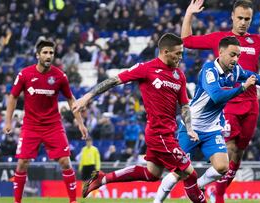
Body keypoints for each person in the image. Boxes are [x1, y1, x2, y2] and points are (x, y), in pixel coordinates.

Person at [180, 1, 260, 201]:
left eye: (247, 19)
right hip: (227, 104)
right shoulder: (220, 39)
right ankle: (205, 188)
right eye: (240, 18)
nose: (243, 22)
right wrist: (189, 14)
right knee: (229, 148)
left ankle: (219, 192)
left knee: (238, 155)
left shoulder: (257, 41)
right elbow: (187, 40)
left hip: (251, 105)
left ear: (251, 19)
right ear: (232, 16)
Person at [72, 33, 207, 203]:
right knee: (190, 173)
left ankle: (103, 179)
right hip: (159, 134)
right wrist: (87, 97)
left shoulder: (179, 75)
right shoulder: (146, 69)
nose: (181, 57)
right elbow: (114, 80)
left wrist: (189, 128)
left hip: (168, 132)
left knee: (152, 174)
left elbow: (185, 105)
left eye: (182, 53)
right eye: (177, 53)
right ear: (165, 52)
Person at [154, 37, 260, 202]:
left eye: (238, 56)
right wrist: (242, 88)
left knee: (222, 167)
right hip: (192, 126)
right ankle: (157, 201)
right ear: (221, 52)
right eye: (233, 55)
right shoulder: (209, 70)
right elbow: (217, 96)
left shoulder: (235, 71)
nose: (236, 59)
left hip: (211, 129)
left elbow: (253, 76)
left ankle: (198, 186)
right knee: (178, 172)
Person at [3, 39, 88, 203]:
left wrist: (80, 123)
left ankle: (73, 201)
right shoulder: (25, 74)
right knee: (22, 163)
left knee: (65, 162)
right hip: (31, 126)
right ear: (38, 55)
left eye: (51, 53)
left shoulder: (60, 76)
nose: (49, 55)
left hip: (53, 126)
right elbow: (13, 96)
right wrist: (8, 121)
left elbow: (71, 99)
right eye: (45, 52)